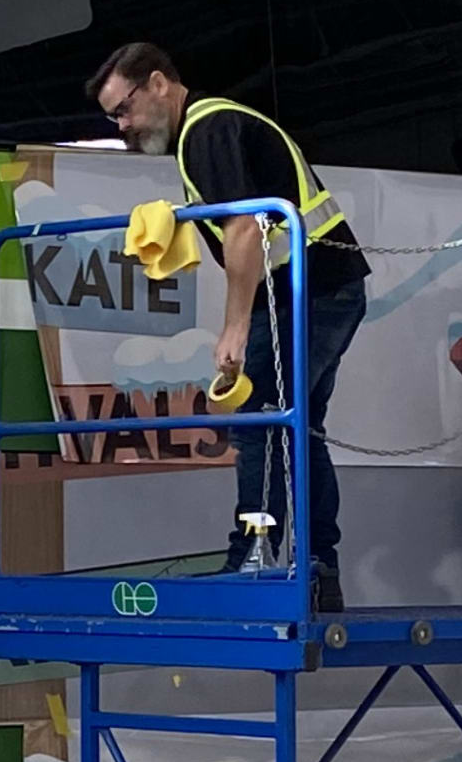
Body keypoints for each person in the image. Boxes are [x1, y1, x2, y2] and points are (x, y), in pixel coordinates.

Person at [89, 40, 370, 611]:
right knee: (296, 426)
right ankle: (315, 566)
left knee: (260, 422)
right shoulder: (213, 128)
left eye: (124, 108)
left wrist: (234, 327)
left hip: (306, 291)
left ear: (160, 84)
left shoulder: (208, 129)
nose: (122, 126)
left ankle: (257, 556)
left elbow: (244, 228)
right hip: (321, 288)